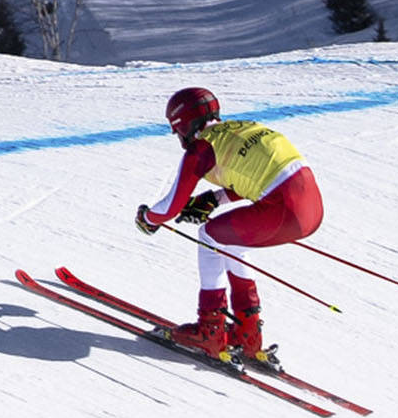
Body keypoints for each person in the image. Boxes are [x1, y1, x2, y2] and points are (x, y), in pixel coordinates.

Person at [135, 84, 321, 367]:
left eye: (177, 130)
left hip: (282, 211)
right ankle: (248, 334)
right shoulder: (246, 127)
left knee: (208, 235)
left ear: (182, 125)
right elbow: (255, 176)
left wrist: (147, 219)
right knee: (231, 240)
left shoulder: (201, 149)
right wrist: (214, 198)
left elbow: (171, 206)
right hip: (311, 207)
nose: (178, 137)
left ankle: (210, 330)